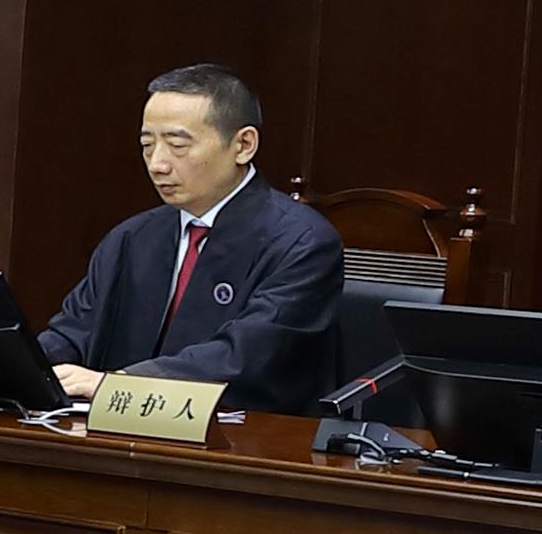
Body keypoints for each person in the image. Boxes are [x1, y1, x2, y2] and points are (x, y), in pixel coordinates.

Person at [36, 63, 341, 409]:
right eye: (147, 145)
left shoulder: (302, 242)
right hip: (119, 429)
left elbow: (246, 356)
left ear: (243, 145)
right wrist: (22, 368)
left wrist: (119, 385)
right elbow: (73, 332)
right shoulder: (133, 238)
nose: (157, 164)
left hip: (242, 433)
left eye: (177, 145)